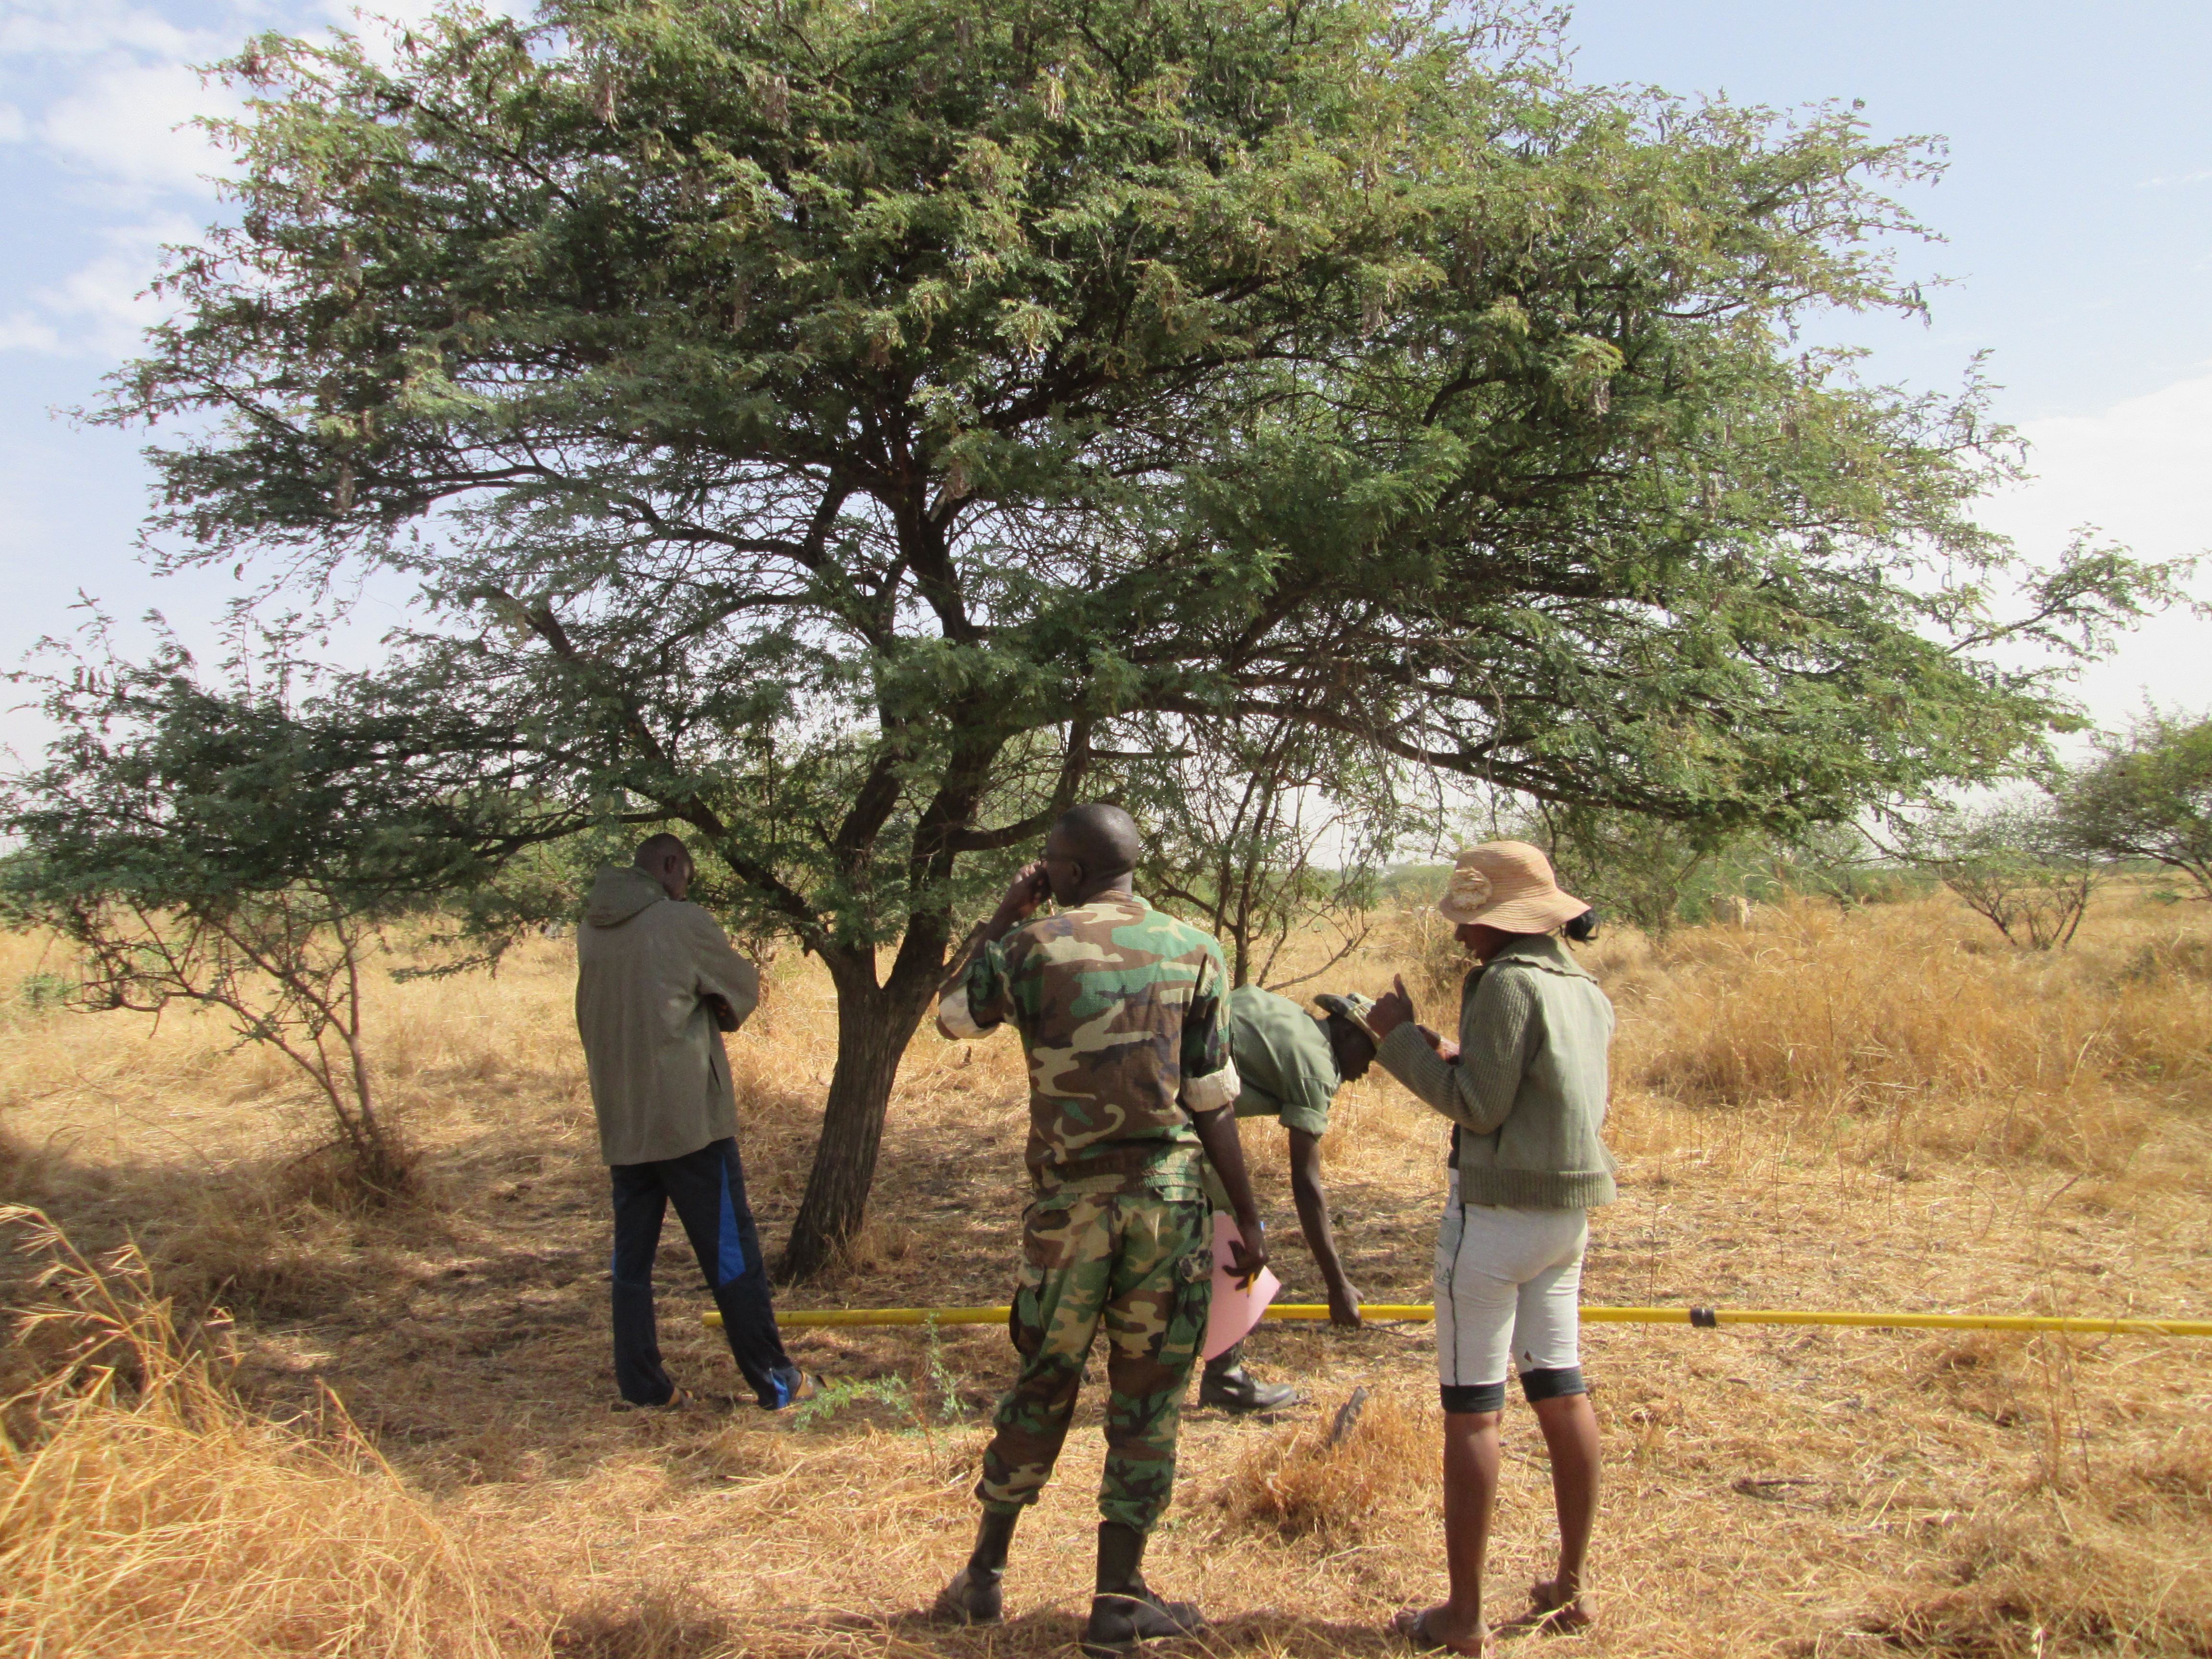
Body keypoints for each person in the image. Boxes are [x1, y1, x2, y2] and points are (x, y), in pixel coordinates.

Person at [929, 804, 1271, 1658]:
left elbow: (951, 1018)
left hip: (1068, 1213)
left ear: (1068, 873)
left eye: (1048, 865)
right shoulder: (1195, 950)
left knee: (1044, 1380)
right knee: (1148, 1398)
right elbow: (1210, 1098)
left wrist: (1007, 910)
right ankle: (1116, 1604)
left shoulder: (1031, 946)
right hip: (1167, 1205)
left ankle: (983, 1579)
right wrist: (1249, 1214)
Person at [1364, 842, 1615, 1654]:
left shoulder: (1503, 985)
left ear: (1501, 921)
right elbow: (1528, 1091)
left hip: (1493, 1220)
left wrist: (1398, 1041)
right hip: (1564, 1219)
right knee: (1560, 1388)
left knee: (1472, 1411)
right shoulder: (1582, 990)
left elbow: (1477, 1108)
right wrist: (1448, 1052)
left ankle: (1463, 1618)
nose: (1461, 938)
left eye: (1469, 922)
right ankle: (1569, 1587)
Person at [575, 833, 818, 1412]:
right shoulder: (681, 922)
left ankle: (643, 1388)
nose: (687, 886)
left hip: (623, 1121)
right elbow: (740, 992)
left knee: (630, 1262)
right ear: (668, 866)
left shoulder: (591, 929)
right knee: (732, 1255)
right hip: (689, 1124)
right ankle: (776, 1381)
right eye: (686, 874)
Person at [1196, 986, 1378, 1414]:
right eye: (1370, 1054)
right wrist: (1337, 1284)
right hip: (1186, 1113)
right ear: (1348, 1035)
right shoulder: (1317, 1067)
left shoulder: (1280, 1009)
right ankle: (1226, 1378)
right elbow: (1306, 1183)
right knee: (1239, 1241)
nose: (1368, 1070)